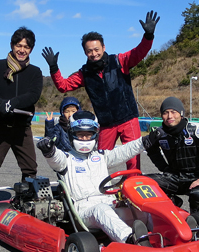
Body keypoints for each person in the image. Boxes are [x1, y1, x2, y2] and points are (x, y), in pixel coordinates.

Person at [42, 10, 160, 171]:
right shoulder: (84, 73)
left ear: (103, 47)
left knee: (132, 159)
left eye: (96, 49)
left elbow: (139, 52)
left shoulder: (119, 61)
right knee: (99, 159)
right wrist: (54, 68)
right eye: (89, 51)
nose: (94, 53)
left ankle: (133, 188)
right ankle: (98, 189)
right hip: (106, 124)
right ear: (85, 52)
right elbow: (63, 86)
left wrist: (148, 36)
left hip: (128, 119)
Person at [36, 110, 162, 246]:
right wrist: (48, 151)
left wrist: (146, 141)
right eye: (81, 135)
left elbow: (124, 151)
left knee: (142, 209)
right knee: (101, 210)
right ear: (72, 135)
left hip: (109, 205)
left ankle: (165, 234)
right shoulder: (66, 159)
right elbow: (55, 158)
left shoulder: (100, 156)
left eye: (88, 135)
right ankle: (131, 241)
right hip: (84, 212)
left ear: (95, 135)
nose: (85, 139)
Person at [0, 27, 43, 225]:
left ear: (31, 49)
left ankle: (25, 205)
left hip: (22, 127)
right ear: (12, 46)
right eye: (18, 45)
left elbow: (33, 95)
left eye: (26, 46)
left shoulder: (35, 71)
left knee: (30, 169)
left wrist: (13, 103)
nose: (22, 50)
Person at [145, 97, 199, 214]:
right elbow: (152, 151)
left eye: (173, 112)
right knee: (144, 184)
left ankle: (195, 213)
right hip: (173, 178)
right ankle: (172, 203)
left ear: (181, 113)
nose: (170, 116)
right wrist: (164, 168)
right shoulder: (159, 133)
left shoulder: (198, 130)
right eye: (165, 113)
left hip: (195, 180)